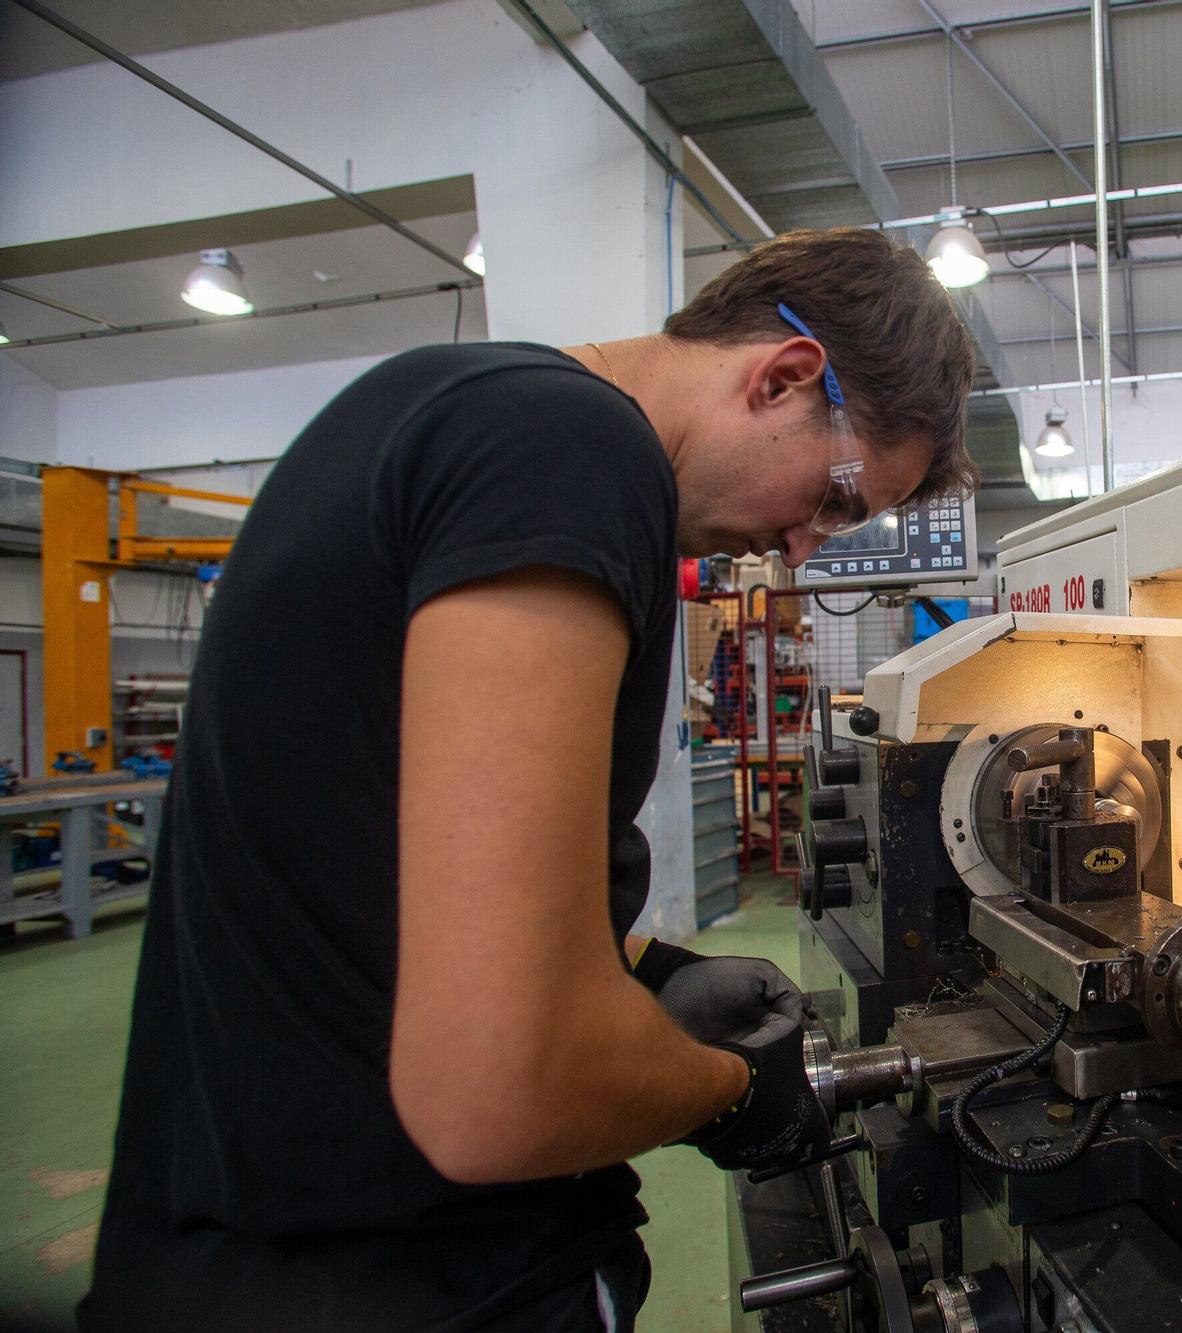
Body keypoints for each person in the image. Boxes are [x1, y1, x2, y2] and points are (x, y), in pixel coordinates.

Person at [79, 229, 978, 1330]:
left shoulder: (444, 408)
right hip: (417, 1278)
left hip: (240, 1253)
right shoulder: (571, 454)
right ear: (784, 378)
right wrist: (734, 1091)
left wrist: (644, 972)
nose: (802, 549)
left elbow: (362, 873)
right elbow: (498, 1084)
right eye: (835, 500)